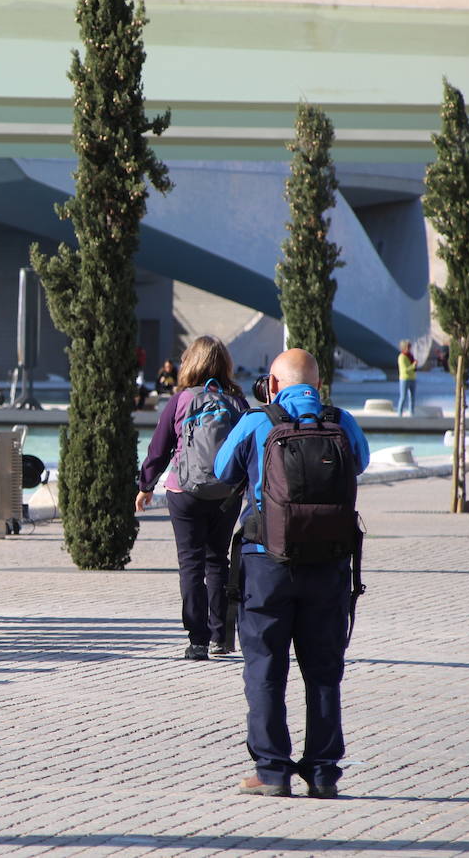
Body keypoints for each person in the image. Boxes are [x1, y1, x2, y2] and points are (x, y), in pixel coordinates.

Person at [213, 349, 369, 799]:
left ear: (273, 384)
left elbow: (223, 471)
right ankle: (322, 771)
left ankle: (272, 770)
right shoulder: (341, 420)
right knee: (323, 670)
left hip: (267, 562)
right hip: (330, 564)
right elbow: (359, 462)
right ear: (317, 384)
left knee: (265, 666)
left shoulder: (259, 420)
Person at [136, 336, 248, 661]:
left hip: (184, 492)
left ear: (190, 363)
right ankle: (219, 637)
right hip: (226, 494)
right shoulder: (237, 402)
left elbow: (158, 448)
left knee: (191, 564)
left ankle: (197, 641)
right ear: (224, 364)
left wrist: (145, 485)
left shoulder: (181, 400)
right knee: (218, 562)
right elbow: (250, 449)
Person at [396, 340, 417, 416]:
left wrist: (414, 366)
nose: (409, 348)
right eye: (408, 347)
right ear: (404, 347)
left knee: (412, 397)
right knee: (403, 397)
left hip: (412, 378)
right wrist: (413, 366)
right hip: (404, 379)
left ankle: (412, 412)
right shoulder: (402, 357)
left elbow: (412, 368)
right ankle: (399, 413)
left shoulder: (411, 356)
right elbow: (404, 369)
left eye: (410, 347)